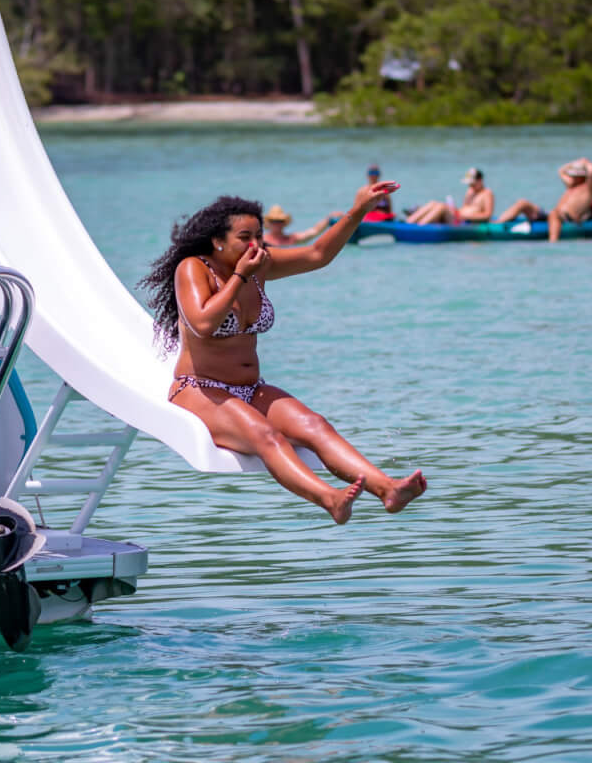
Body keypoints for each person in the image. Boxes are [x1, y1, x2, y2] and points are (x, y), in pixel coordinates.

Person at [139, 186, 427, 524]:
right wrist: (238, 277)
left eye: (259, 236)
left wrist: (358, 210)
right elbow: (202, 323)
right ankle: (329, 498)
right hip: (199, 389)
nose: (256, 245)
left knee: (314, 425)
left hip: (251, 389)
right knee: (266, 435)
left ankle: (387, 489)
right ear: (218, 241)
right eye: (244, 237)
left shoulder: (260, 264)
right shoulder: (193, 268)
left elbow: (318, 254)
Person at [407, 169, 496, 226]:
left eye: (472, 184)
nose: (470, 186)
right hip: (458, 216)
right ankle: (410, 222)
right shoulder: (470, 191)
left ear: (480, 180)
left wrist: (466, 216)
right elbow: (465, 207)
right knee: (434, 203)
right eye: (469, 184)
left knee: (442, 206)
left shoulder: (487, 194)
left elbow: (487, 215)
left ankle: (420, 227)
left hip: (466, 222)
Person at [546, 158, 592, 240]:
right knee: (523, 203)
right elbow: (561, 171)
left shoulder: (588, 188)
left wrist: (586, 162)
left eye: (575, 176)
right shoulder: (571, 186)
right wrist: (575, 163)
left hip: (570, 218)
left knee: (554, 214)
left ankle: (552, 242)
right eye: (572, 176)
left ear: (582, 177)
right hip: (558, 215)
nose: (572, 178)